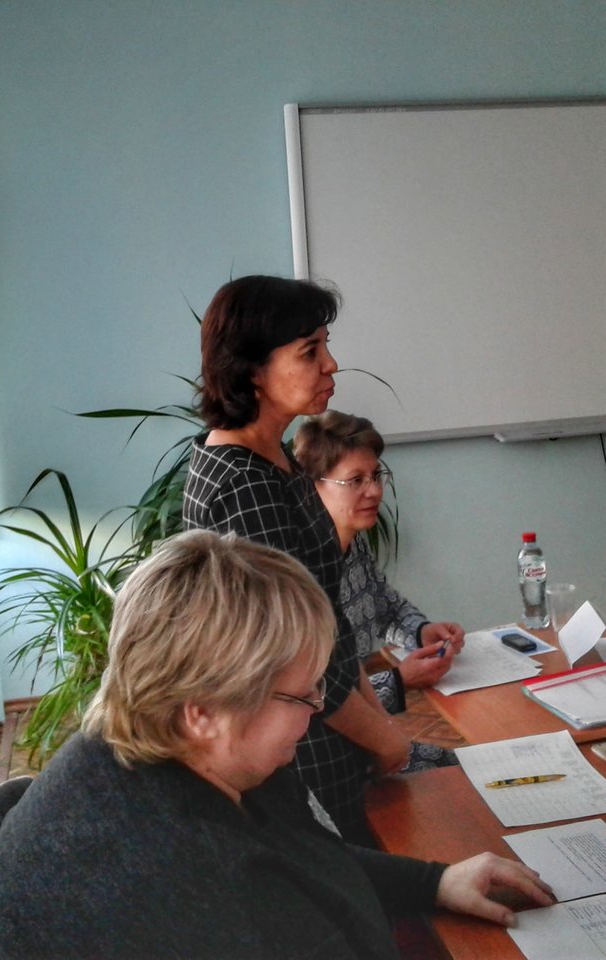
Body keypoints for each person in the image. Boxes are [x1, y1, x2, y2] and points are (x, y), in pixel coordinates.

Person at [0, 531, 555, 959]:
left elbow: (302, 858)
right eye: (300, 696)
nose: (315, 712)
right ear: (203, 711)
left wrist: (433, 882)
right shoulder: (224, 906)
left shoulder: (122, 747)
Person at [181, 274, 411, 844]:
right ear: (252, 370)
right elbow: (293, 654)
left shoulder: (272, 458)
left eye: (325, 346)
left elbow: (327, 618)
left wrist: (379, 724)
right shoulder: (244, 486)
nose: (331, 365)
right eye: (310, 352)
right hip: (299, 745)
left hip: (328, 722)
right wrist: (382, 738)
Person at [294, 410, 465, 770]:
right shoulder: (301, 575)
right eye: (355, 480)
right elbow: (316, 704)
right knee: (456, 773)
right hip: (330, 759)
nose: (374, 491)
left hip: (368, 740)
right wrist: (400, 681)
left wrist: (421, 631)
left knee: (463, 764)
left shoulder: (354, 542)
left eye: (375, 476)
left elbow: (385, 605)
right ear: (313, 486)